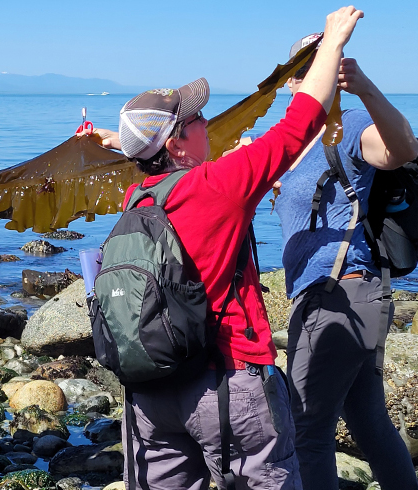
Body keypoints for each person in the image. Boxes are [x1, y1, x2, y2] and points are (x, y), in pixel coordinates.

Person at [79, 7, 364, 489]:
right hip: (230, 384)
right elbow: (298, 126)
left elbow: (143, 155)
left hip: (151, 396)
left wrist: (115, 140)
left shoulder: (137, 197)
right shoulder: (219, 185)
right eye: (198, 119)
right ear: (176, 144)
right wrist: (333, 42)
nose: (209, 123)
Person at [272, 34, 418, 489]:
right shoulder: (289, 143)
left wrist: (366, 88)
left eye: (319, 66)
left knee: (306, 432)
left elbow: (403, 151)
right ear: (290, 83)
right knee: (369, 422)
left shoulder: (349, 124)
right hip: (330, 296)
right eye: (300, 69)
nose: (305, 77)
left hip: (342, 293)